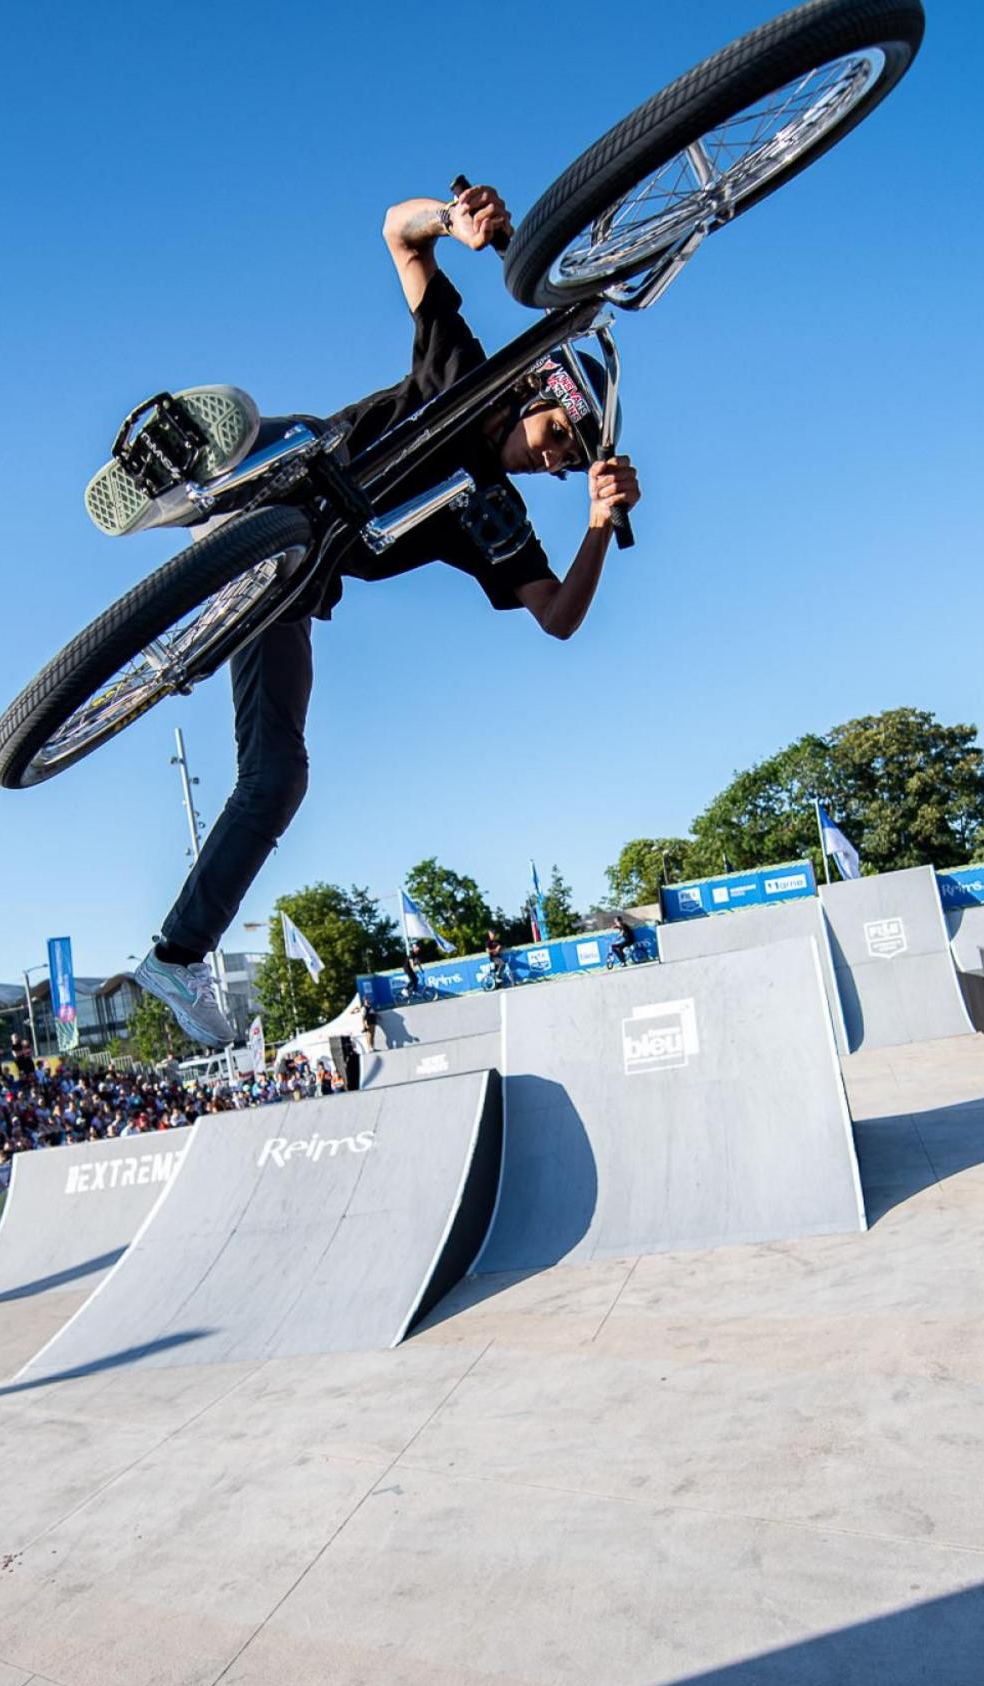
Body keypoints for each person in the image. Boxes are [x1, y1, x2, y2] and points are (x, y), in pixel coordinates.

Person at [129, 181, 643, 1045]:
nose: (548, 462)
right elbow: (399, 238)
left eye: (565, 465)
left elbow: (555, 616)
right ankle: (197, 472)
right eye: (556, 436)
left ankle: (176, 957)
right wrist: (455, 221)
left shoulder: (499, 522)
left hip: (292, 584)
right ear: (536, 396)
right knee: (299, 446)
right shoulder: (466, 374)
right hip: (289, 479)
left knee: (280, 776)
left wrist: (595, 528)